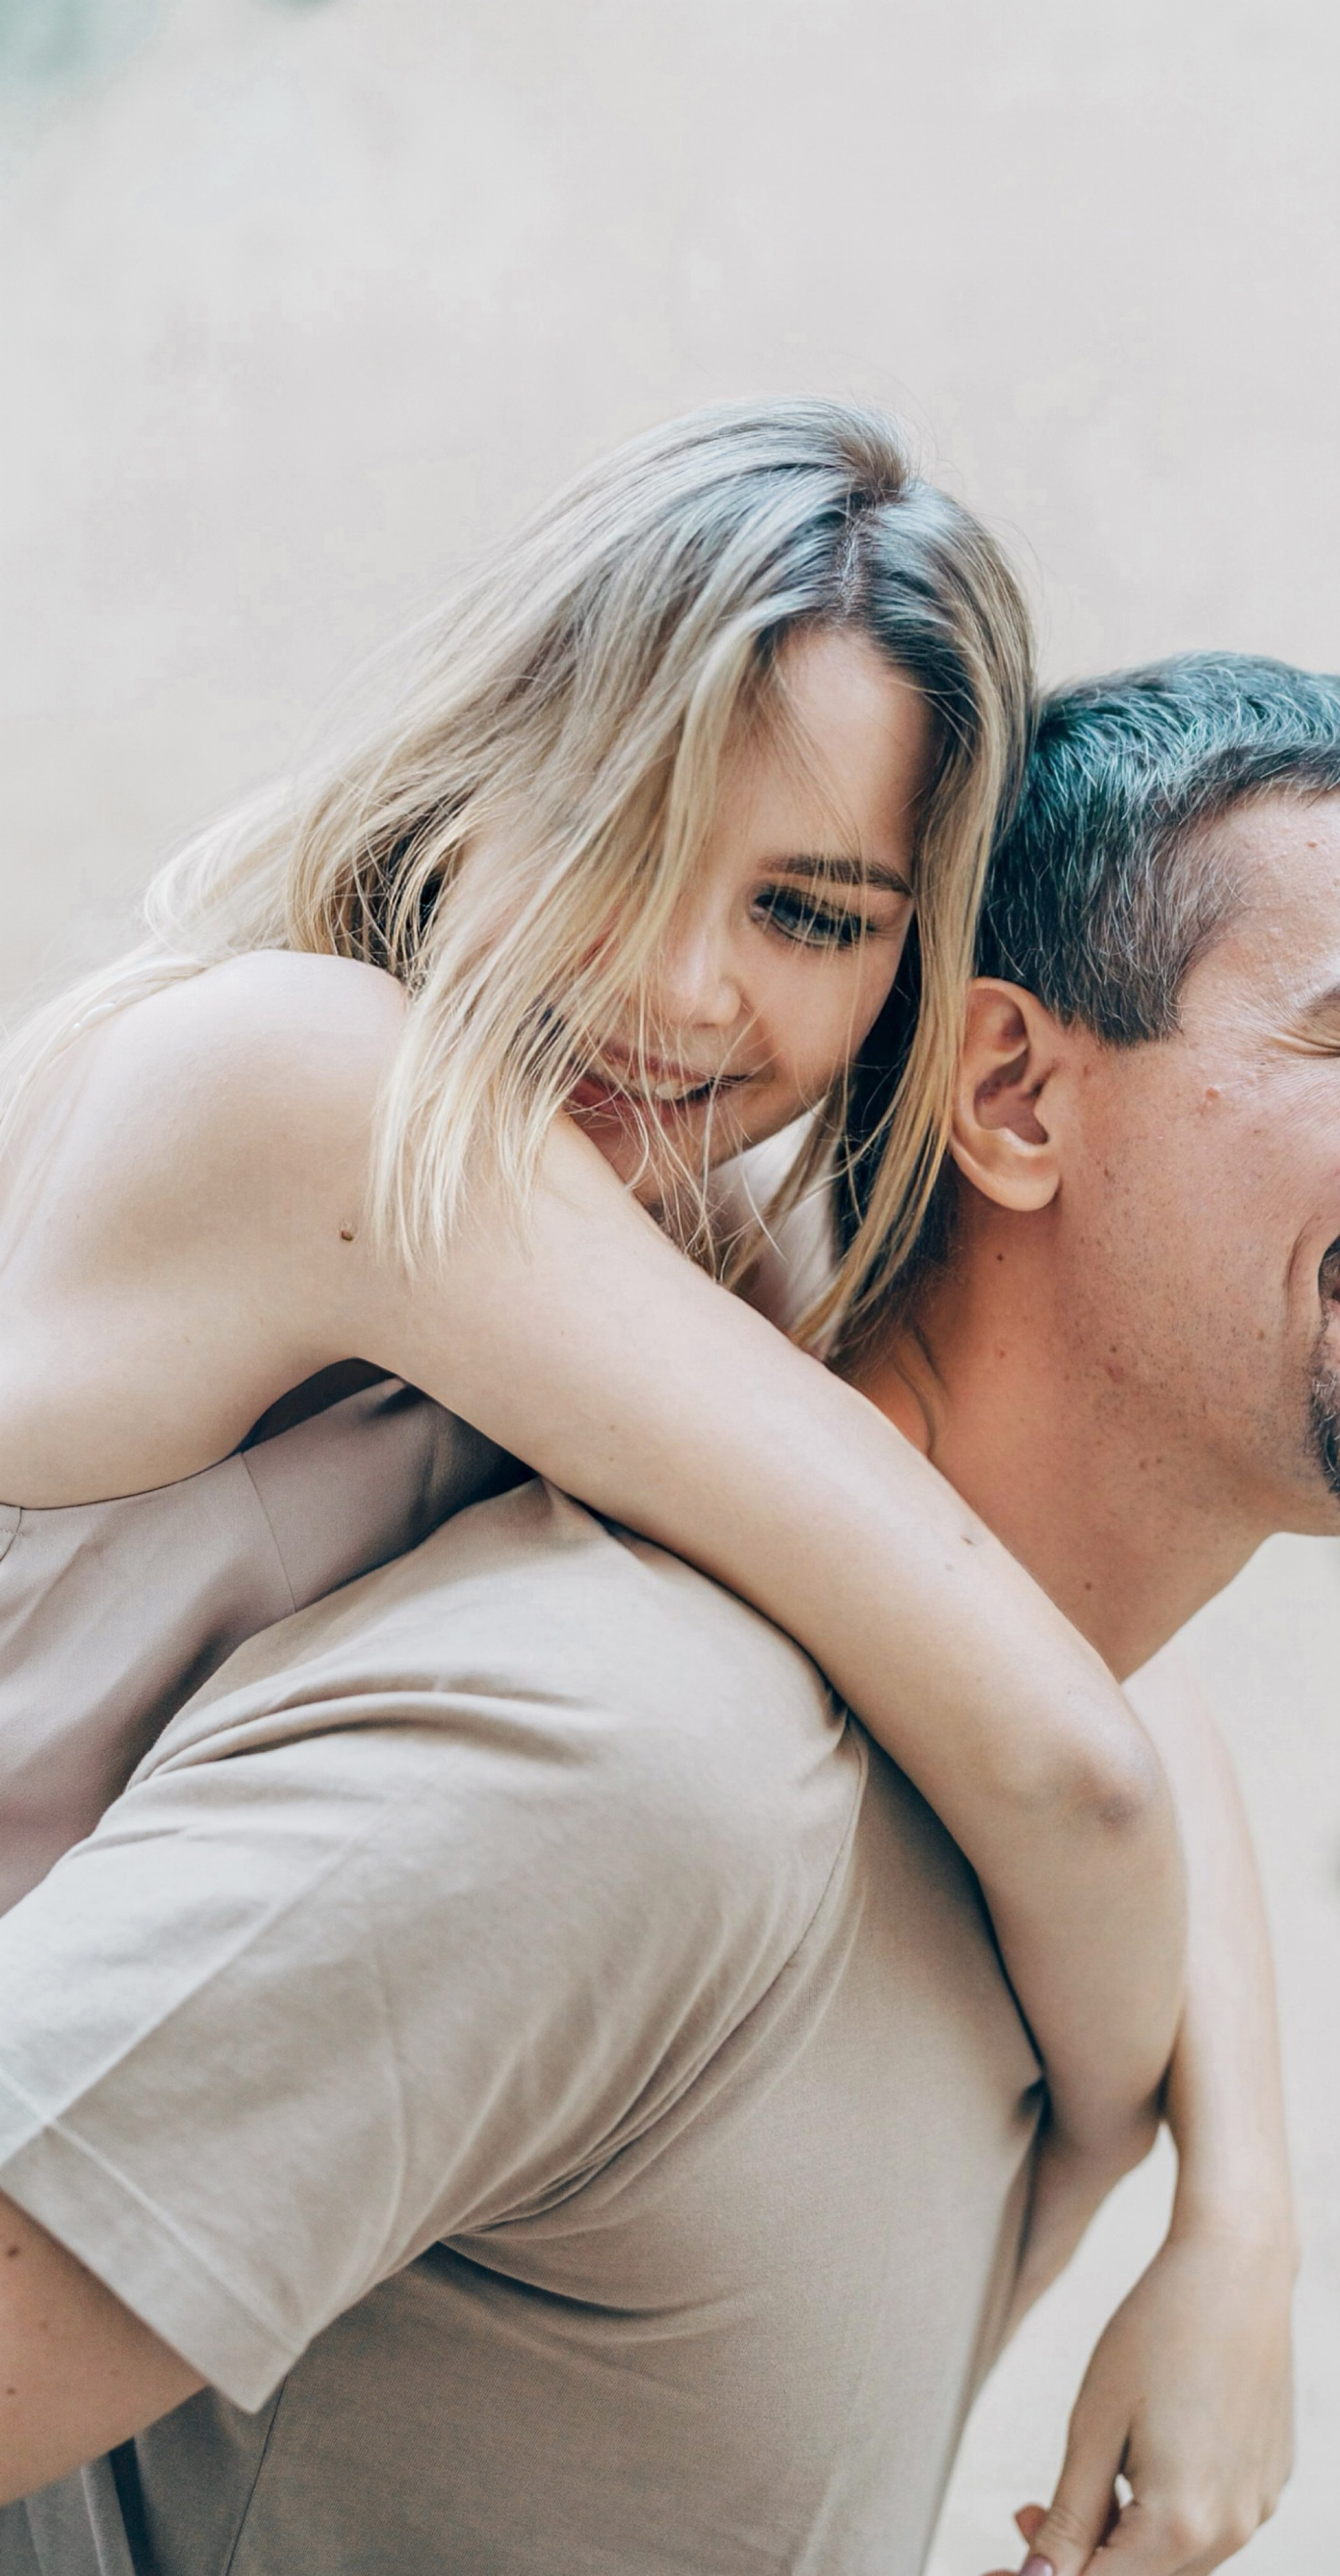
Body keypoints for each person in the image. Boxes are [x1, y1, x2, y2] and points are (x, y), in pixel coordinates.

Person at [0, 654, 1340, 2575]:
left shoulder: (962, 1716)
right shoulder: (617, 1765)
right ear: (1006, 1088)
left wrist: (1244, 2209)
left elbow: (1097, 1717)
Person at [0, 400, 1187, 2276]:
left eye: (807, 912)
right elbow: (1076, 1773)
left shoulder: (674, 1230)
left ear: (907, 969)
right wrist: (1115, 2173)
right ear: (471, 779)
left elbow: (1057, 1639)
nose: (687, 989)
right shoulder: (308, 1088)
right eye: (618, 841)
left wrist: (1251, 2216)